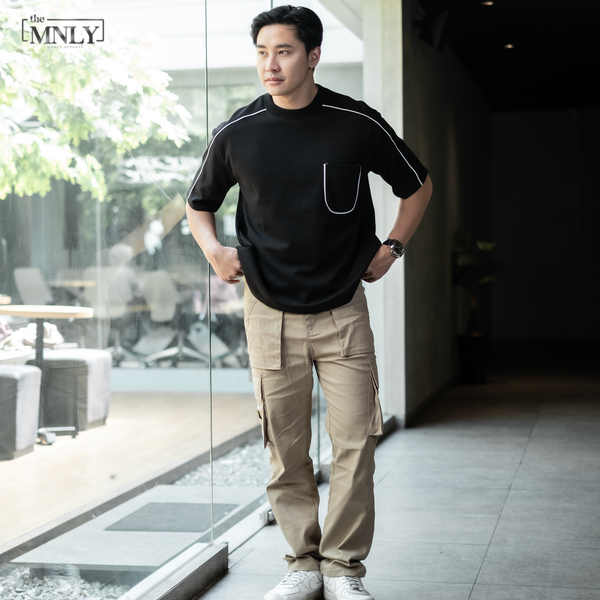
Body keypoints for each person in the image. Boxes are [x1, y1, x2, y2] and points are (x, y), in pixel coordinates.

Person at [186, 5, 432, 600]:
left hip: (342, 308)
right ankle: (302, 564)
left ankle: (343, 569)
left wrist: (393, 247)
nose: (270, 64)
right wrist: (215, 252)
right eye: (262, 52)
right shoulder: (238, 131)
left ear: (313, 55)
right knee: (286, 447)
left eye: (284, 51)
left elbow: (418, 184)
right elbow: (198, 204)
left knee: (355, 443)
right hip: (267, 311)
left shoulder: (356, 122)